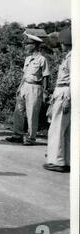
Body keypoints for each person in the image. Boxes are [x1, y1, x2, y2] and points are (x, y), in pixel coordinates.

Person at [6, 34, 50, 145]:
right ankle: (17, 135)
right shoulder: (28, 59)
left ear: (34, 45)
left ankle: (31, 138)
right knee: (18, 112)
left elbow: (46, 77)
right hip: (25, 86)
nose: (25, 46)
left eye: (28, 44)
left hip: (35, 87)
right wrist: (19, 87)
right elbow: (24, 75)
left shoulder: (42, 59)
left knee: (32, 114)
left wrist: (45, 92)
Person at [43, 28, 71, 172]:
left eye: (62, 43)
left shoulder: (72, 58)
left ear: (66, 43)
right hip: (62, 92)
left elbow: (74, 80)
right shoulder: (69, 57)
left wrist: (68, 99)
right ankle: (64, 160)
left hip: (64, 93)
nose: (60, 45)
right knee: (63, 130)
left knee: (58, 129)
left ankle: (58, 161)